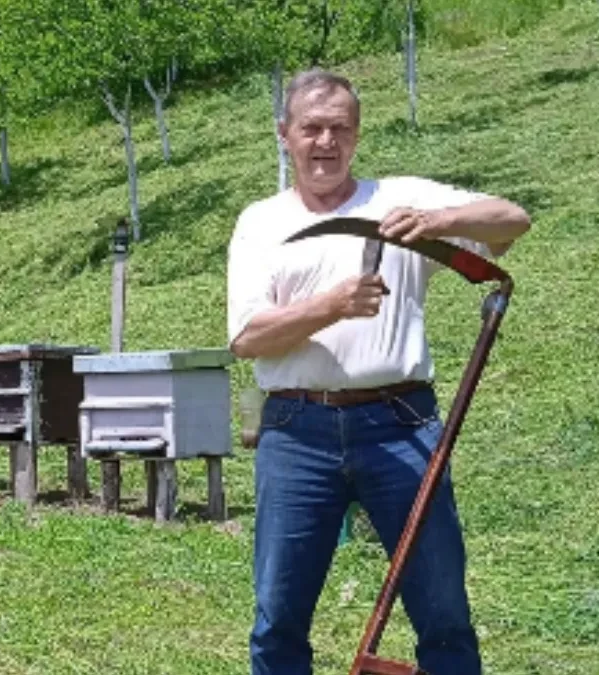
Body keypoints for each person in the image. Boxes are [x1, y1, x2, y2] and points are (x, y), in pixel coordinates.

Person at [226, 69, 530, 675]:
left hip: (400, 423)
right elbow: (248, 339)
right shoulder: (260, 222)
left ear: (358, 134)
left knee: (443, 612)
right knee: (278, 617)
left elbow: (513, 219)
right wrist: (331, 306)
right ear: (284, 134)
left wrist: (439, 223)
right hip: (296, 432)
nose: (326, 142)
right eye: (311, 128)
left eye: (340, 128)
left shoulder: (398, 198)